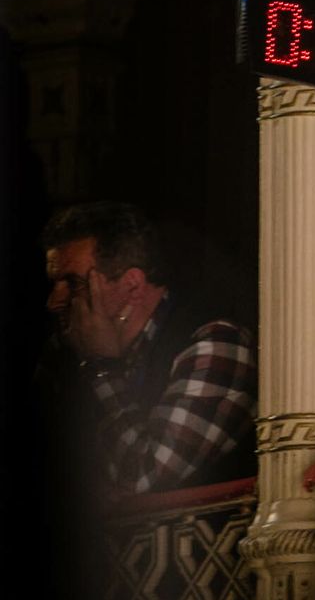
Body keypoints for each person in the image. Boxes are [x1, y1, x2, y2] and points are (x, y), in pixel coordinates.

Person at [40, 201, 257, 494]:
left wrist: (102, 369)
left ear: (132, 285)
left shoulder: (216, 343)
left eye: (73, 283)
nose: (53, 302)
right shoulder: (62, 355)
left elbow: (145, 475)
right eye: (54, 284)